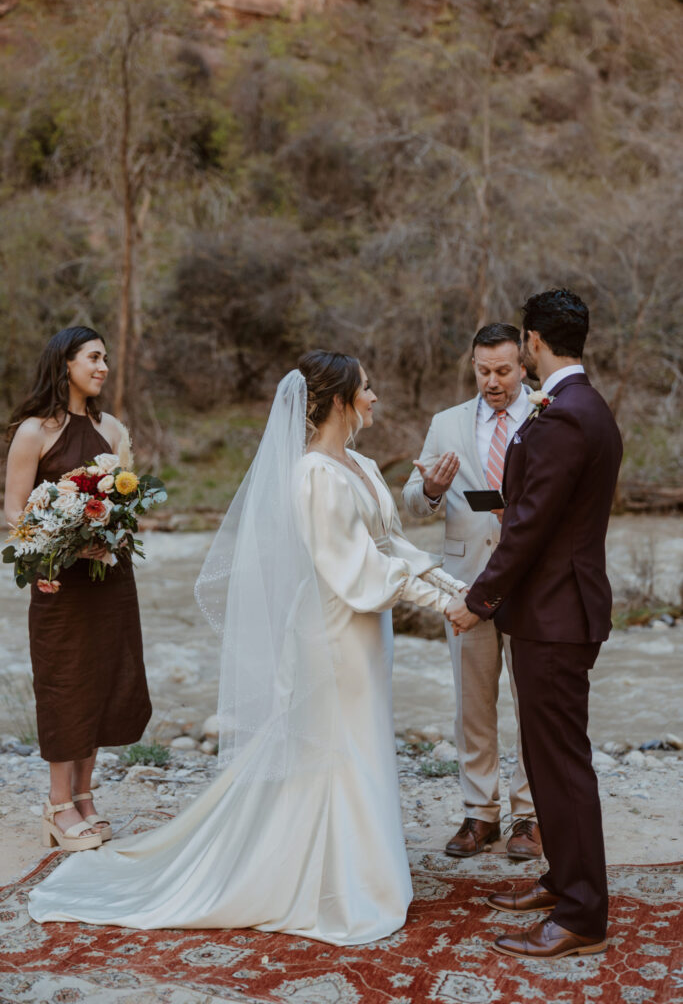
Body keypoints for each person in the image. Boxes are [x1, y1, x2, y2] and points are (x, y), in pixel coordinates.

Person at [27, 351, 466, 945]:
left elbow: (390, 548)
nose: (375, 397)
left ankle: (360, 867)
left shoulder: (359, 465)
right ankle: (330, 880)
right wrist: (445, 604)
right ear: (338, 401)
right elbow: (354, 570)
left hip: (370, 637)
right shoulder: (313, 474)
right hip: (333, 635)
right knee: (339, 746)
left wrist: (461, 590)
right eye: (367, 389)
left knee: (362, 744)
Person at [450, 290, 622, 960]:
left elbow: (526, 529)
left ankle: (581, 912)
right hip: (558, 607)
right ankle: (561, 880)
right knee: (550, 760)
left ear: (530, 342)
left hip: (555, 614)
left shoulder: (564, 417)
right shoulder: (581, 406)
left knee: (561, 764)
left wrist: (479, 599)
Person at [4, 327, 152, 853]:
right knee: (66, 682)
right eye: (93, 357)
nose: (103, 366)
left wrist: (111, 534)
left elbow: (125, 503)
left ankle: (86, 796)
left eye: (106, 358)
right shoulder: (34, 431)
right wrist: (63, 542)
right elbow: (14, 511)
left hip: (109, 579)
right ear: (64, 363)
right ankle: (57, 805)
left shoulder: (111, 428)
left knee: (106, 679)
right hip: (57, 583)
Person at [403, 323, 539, 860]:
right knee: (472, 706)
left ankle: (529, 816)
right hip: (465, 584)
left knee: (533, 704)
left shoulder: (546, 413)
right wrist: (432, 488)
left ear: (524, 365)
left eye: (503, 370)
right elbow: (412, 502)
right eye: (483, 371)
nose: (492, 381)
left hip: (532, 582)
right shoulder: (446, 423)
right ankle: (479, 814)